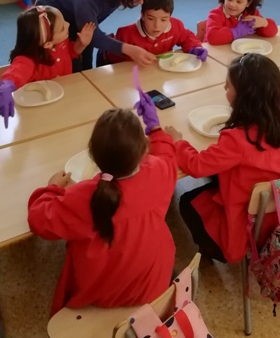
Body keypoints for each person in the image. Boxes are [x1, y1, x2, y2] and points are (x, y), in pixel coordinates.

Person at [27, 104, 178, 317]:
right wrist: (157, 131)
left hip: (103, 295)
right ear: (145, 149)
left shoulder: (83, 197)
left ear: (93, 155)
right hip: (152, 289)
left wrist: (51, 187)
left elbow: (38, 219)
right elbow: (168, 158)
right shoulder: (158, 173)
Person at [166, 54, 280, 263]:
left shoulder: (238, 139)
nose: (224, 90)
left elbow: (195, 166)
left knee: (186, 200)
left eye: (227, 86)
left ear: (244, 96)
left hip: (247, 226)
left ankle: (210, 253)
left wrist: (178, 143)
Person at [36, 0, 156, 70]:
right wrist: (129, 50)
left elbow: (91, 30)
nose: (141, 2)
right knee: (68, 61)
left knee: (85, 52)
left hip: (76, 5)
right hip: (52, 11)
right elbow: (94, 36)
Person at [0, 5, 95, 127]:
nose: (68, 24)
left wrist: (81, 44)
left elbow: (70, 53)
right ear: (47, 44)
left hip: (64, 104)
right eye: (63, 27)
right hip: (38, 115)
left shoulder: (60, 41)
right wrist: (6, 88)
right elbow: (16, 72)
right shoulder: (29, 59)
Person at [104, 0, 208, 64]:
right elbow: (114, 63)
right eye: (150, 18)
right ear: (142, 15)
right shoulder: (126, 34)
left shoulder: (176, 26)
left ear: (170, 17)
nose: (157, 26)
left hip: (161, 76)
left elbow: (187, 37)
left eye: (163, 20)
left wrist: (195, 48)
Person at [205, 0, 278, 45]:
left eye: (239, 1)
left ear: (248, 3)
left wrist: (264, 23)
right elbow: (212, 38)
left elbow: (273, 32)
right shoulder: (216, 14)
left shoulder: (251, 13)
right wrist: (236, 32)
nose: (232, 4)